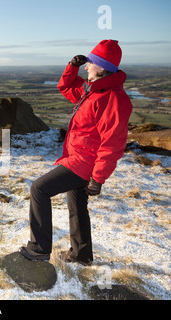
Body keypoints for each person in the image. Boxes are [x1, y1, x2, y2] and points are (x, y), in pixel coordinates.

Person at [19, 40, 133, 266]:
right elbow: (65, 87)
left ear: (101, 68)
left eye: (91, 62)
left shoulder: (113, 98)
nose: (87, 66)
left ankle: (39, 249)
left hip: (83, 163)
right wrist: (72, 66)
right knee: (77, 205)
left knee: (39, 189)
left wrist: (98, 178)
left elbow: (113, 144)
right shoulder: (92, 90)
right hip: (77, 158)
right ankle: (81, 255)